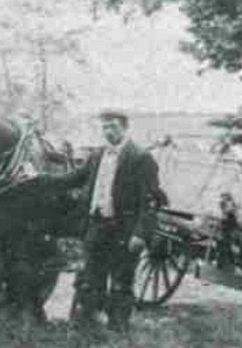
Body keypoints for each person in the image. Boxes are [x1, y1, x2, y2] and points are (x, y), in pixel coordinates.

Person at [35, 109, 167, 332]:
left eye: (113, 126)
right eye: (105, 127)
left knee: (121, 280)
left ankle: (118, 329)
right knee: (90, 278)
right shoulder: (97, 155)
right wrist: (42, 181)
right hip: (97, 225)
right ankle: (88, 326)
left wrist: (140, 233)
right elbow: (74, 178)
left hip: (125, 229)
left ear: (125, 128)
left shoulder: (141, 158)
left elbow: (151, 201)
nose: (108, 131)